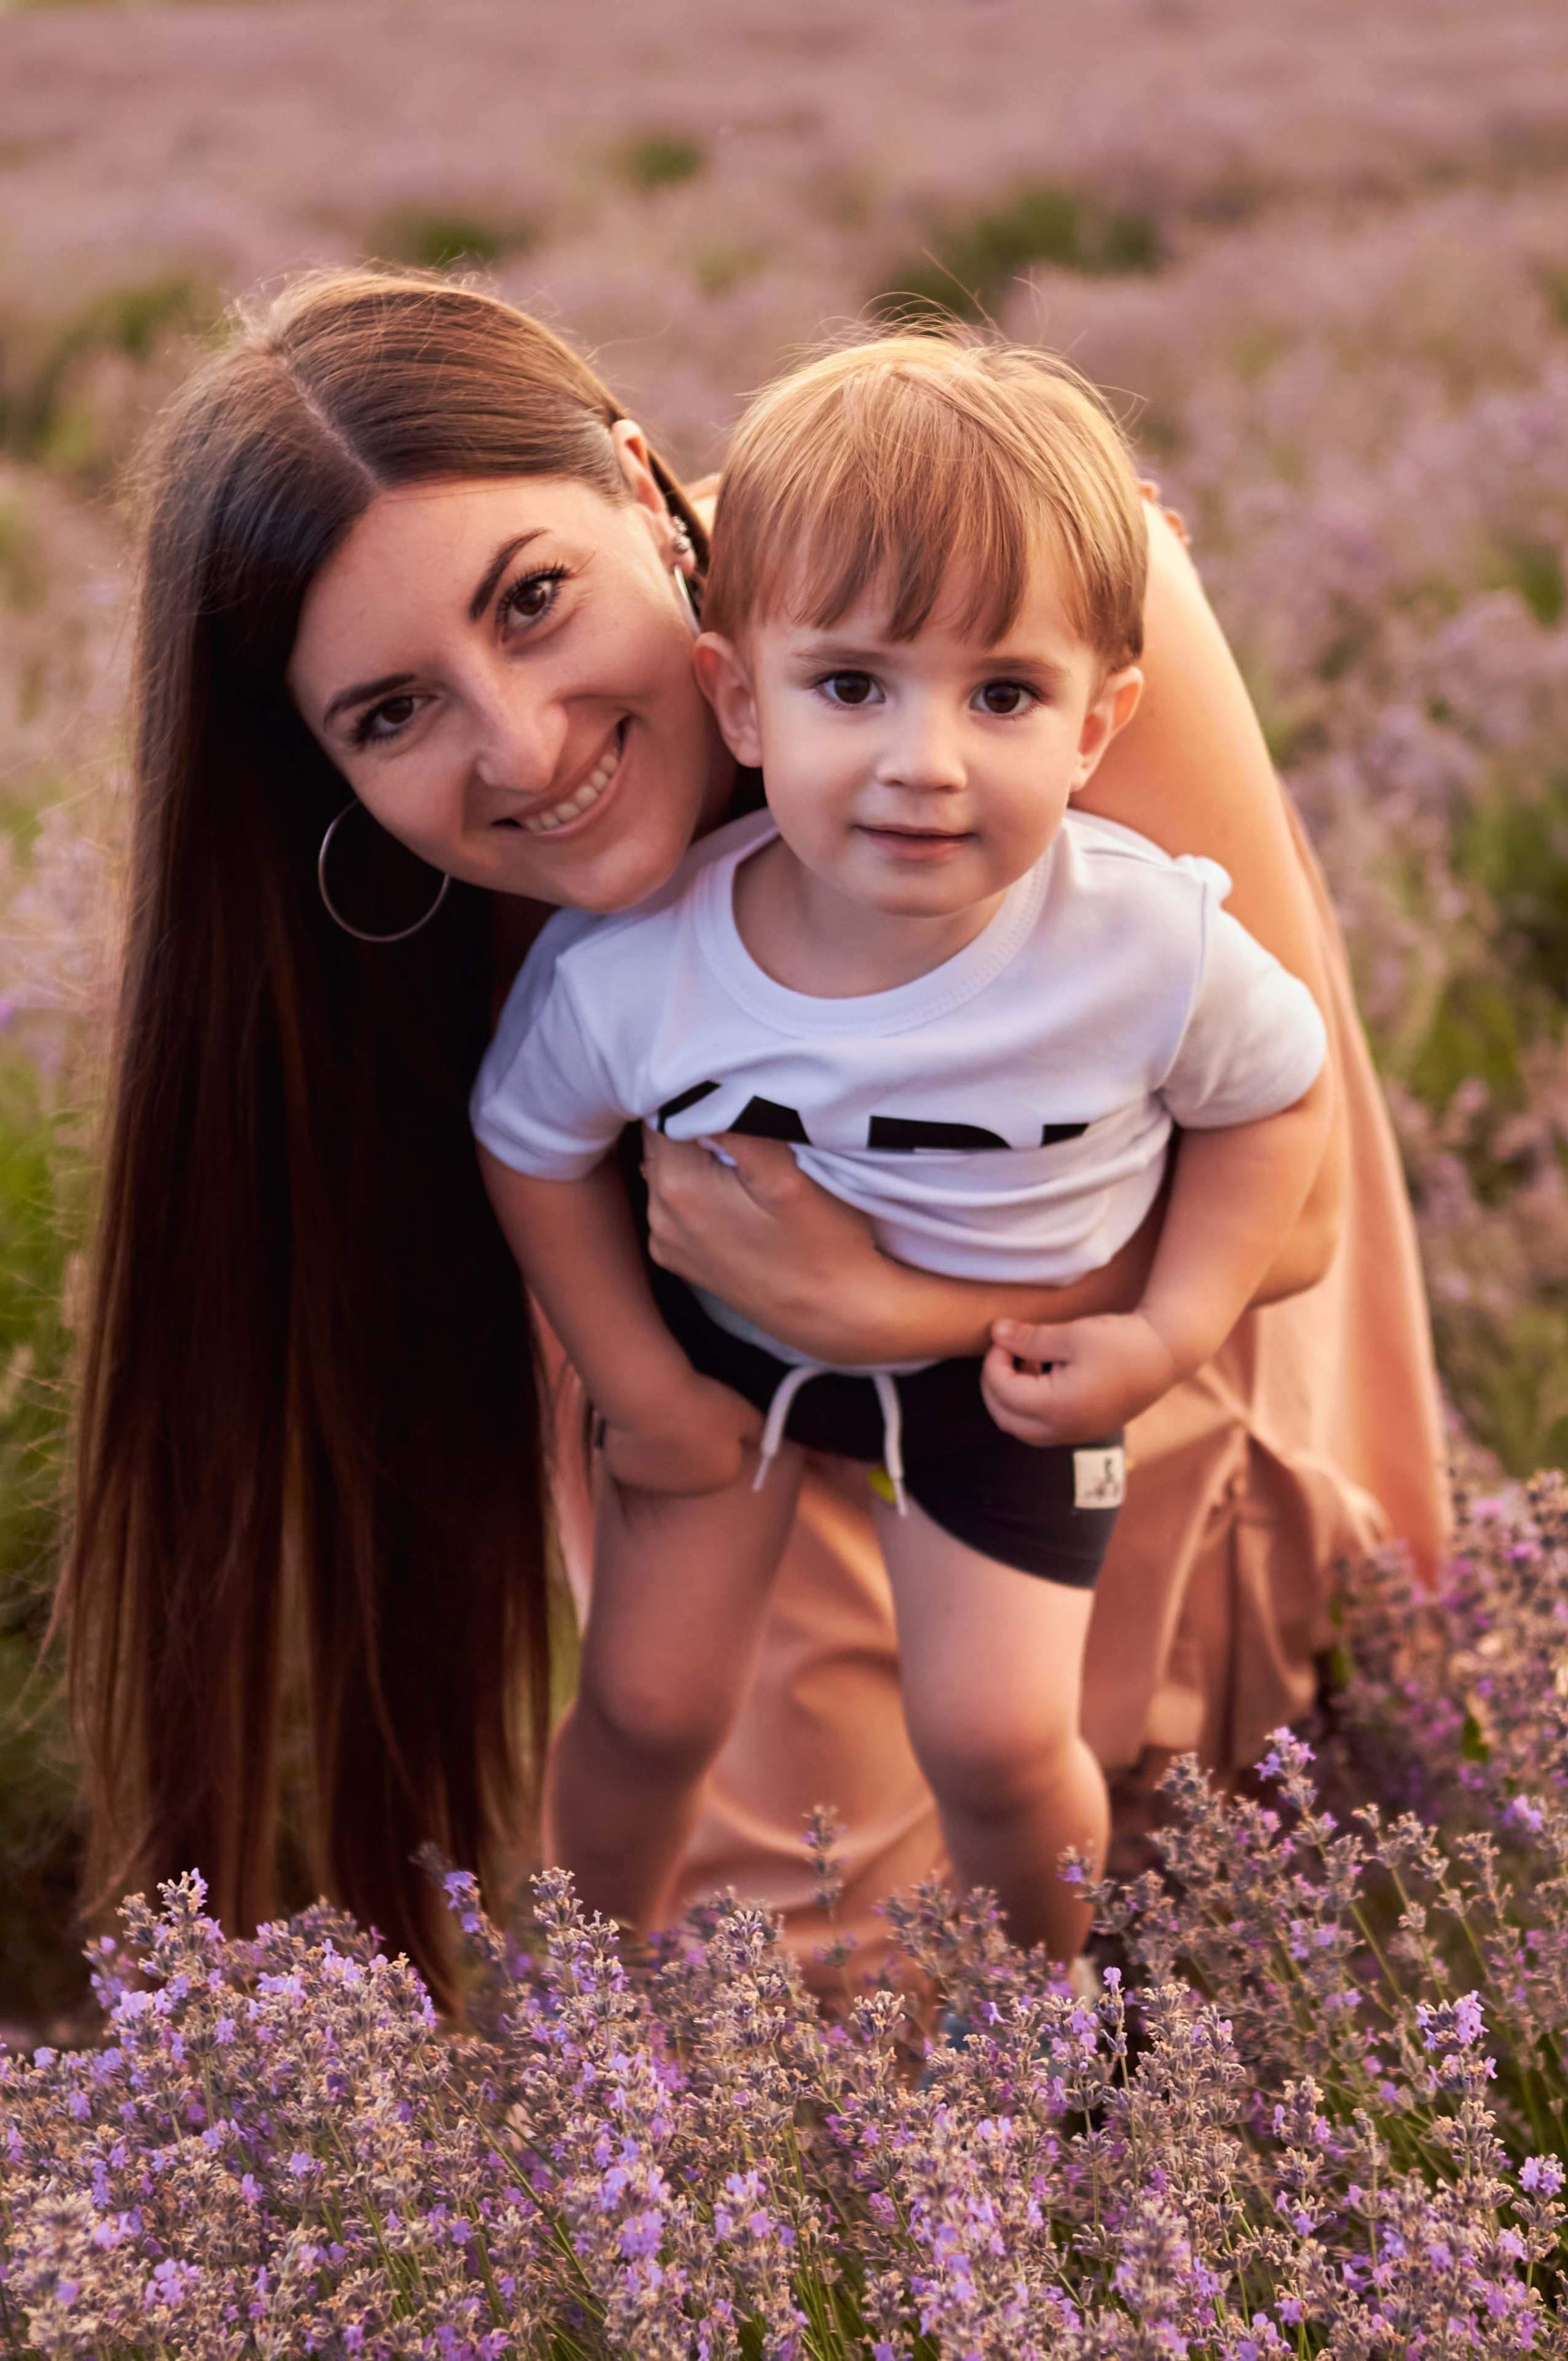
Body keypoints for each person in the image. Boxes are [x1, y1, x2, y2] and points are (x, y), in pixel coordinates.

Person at [60, 268, 1445, 2008]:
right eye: (392, 714)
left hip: (1107, 1342)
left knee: (1132, 1843)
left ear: (648, 491)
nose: (527, 742)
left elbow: (1287, 1199)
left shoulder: (993, 604)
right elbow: (552, 1201)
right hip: (714, 1387)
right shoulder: (430, 930)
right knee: (795, 1985)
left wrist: (888, 1314)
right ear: (321, 764)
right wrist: (672, 1381)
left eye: (539, 599)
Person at [471, 335, 1330, 1963]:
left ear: (1099, 726)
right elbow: (529, 1147)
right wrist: (638, 1390)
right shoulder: (649, 964)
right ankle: (572, 2001)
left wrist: (1169, 1328)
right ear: (737, 695)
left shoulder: (1144, 945)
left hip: (996, 1388)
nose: (925, 761)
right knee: (650, 1708)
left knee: (999, 1743)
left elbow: (1275, 1108)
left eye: (1003, 694)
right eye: (851, 686)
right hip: (726, 1361)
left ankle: (1048, 2023)